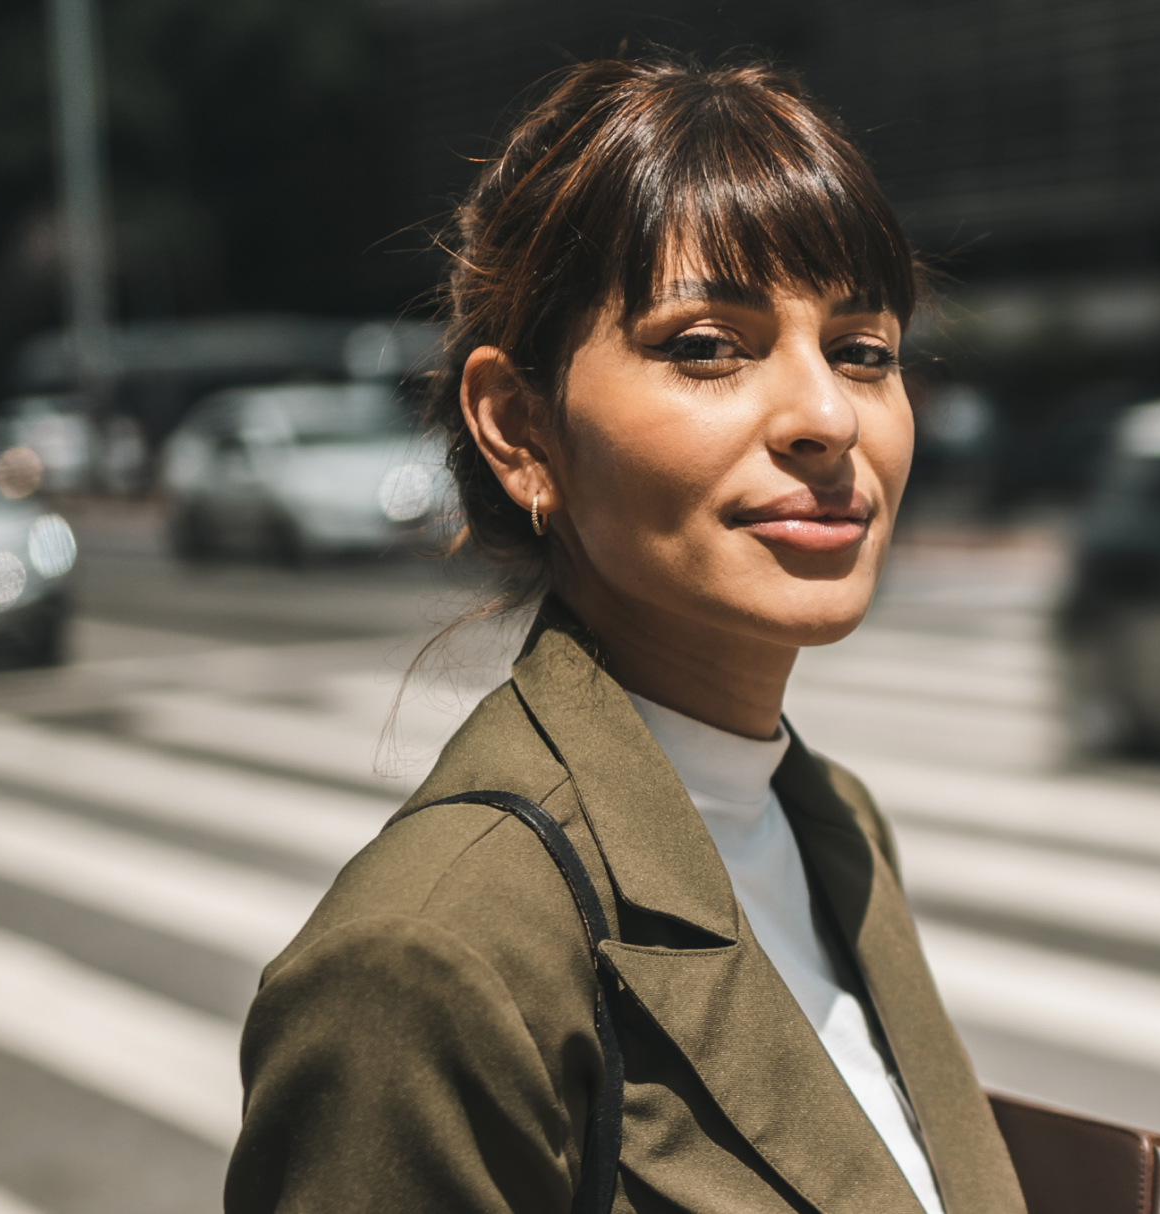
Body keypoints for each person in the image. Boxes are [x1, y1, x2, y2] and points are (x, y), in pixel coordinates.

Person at [226, 60, 1036, 1214]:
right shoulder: (430, 961)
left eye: (864, 349)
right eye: (708, 345)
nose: (825, 416)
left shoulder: (833, 823)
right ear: (519, 428)